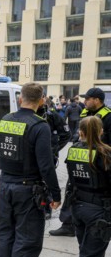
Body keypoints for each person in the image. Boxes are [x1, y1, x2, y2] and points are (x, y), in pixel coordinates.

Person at [0, 82, 61, 257]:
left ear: (20, 99)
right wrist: (56, 194)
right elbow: (46, 165)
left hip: (7, 186)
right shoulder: (39, 126)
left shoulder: (4, 121)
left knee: (6, 233)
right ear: (41, 101)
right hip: (29, 189)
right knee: (28, 237)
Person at [50, 88, 111, 237]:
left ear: (97, 100)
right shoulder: (86, 113)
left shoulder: (108, 117)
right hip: (81, 159)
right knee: (72, 190)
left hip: (97, 162)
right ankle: (68, 223)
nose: (84, 101)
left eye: (88, 98)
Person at [66, 116, 111, 257]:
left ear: (81, 132)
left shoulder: (74, 149)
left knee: (88, 250)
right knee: (92, 252)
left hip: (78, 206)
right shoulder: (105, 153)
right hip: (99, 210)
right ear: (101, 131)